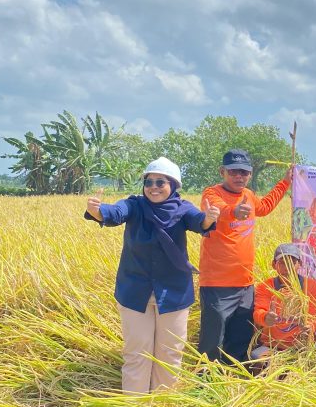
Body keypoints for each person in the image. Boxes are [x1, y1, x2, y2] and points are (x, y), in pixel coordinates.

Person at [84, 157, 219, 393]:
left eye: (160, 182)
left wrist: (208, 219)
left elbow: (198, 221)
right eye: (149, 182)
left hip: (174, 293)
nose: (153, 187)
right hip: (136, 291)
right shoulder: (135, 205)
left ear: (173, 186)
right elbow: (116, 212)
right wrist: (98, 211)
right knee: (137, 353)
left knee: (170, 354)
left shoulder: (183, 207)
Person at [198, 148, 291, 364]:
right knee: (213, 340)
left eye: (244, 172)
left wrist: (285, 182)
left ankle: (234, 378)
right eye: (234, 172)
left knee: (240, 337)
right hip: (217, 284)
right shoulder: (211, 194)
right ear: (223, 171)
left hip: (245, 283)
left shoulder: (248, 195)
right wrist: (234, 212)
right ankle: (204, 384)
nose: (239, 177)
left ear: (249, 174)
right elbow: (218, 209)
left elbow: (265, 207)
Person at [250, 243, 316, 360]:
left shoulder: (312, 287)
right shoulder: (265, 286)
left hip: (302, 347)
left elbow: (315, 317)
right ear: (273, 265)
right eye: (282, 263)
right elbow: (258, 312)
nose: (287, 268)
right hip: (272, 346)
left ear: (299, 264)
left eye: (292, 262)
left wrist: (308, 327)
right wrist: (266, 317)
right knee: (257, 358)